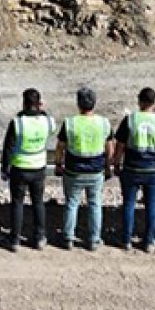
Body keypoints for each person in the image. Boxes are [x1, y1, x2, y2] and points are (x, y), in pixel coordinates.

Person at [113, 87, 155, 253]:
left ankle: (126, 240)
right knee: (152, 205)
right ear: (154, 102)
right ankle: (149, 241)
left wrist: (116, 163)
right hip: (153, 169)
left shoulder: (130, 120)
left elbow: (120, 146)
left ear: (139, 101)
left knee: (129, 204)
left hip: (132, 167)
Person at [54, 88, 113, 251]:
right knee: (95, 204)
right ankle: (94, 239)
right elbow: (110, 147)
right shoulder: (103, 123)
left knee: (71, 204)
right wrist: (108, 166)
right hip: (96, 171)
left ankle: (68, 238)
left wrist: (58, 164)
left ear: (78, 103)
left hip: (74, 171)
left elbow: (60, 146)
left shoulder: (70, 123)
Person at [0, 88, 55, 251]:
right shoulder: (47, 121)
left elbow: (8, 148)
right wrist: (42, 111)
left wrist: (5, 168)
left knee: (17, 203)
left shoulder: (17, 122)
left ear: (24, 103)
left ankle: (15, 239)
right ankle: (39, 238)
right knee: (38, 202)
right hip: (38, 167)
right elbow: (51, 126)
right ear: (39, 103)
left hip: (20, 167)